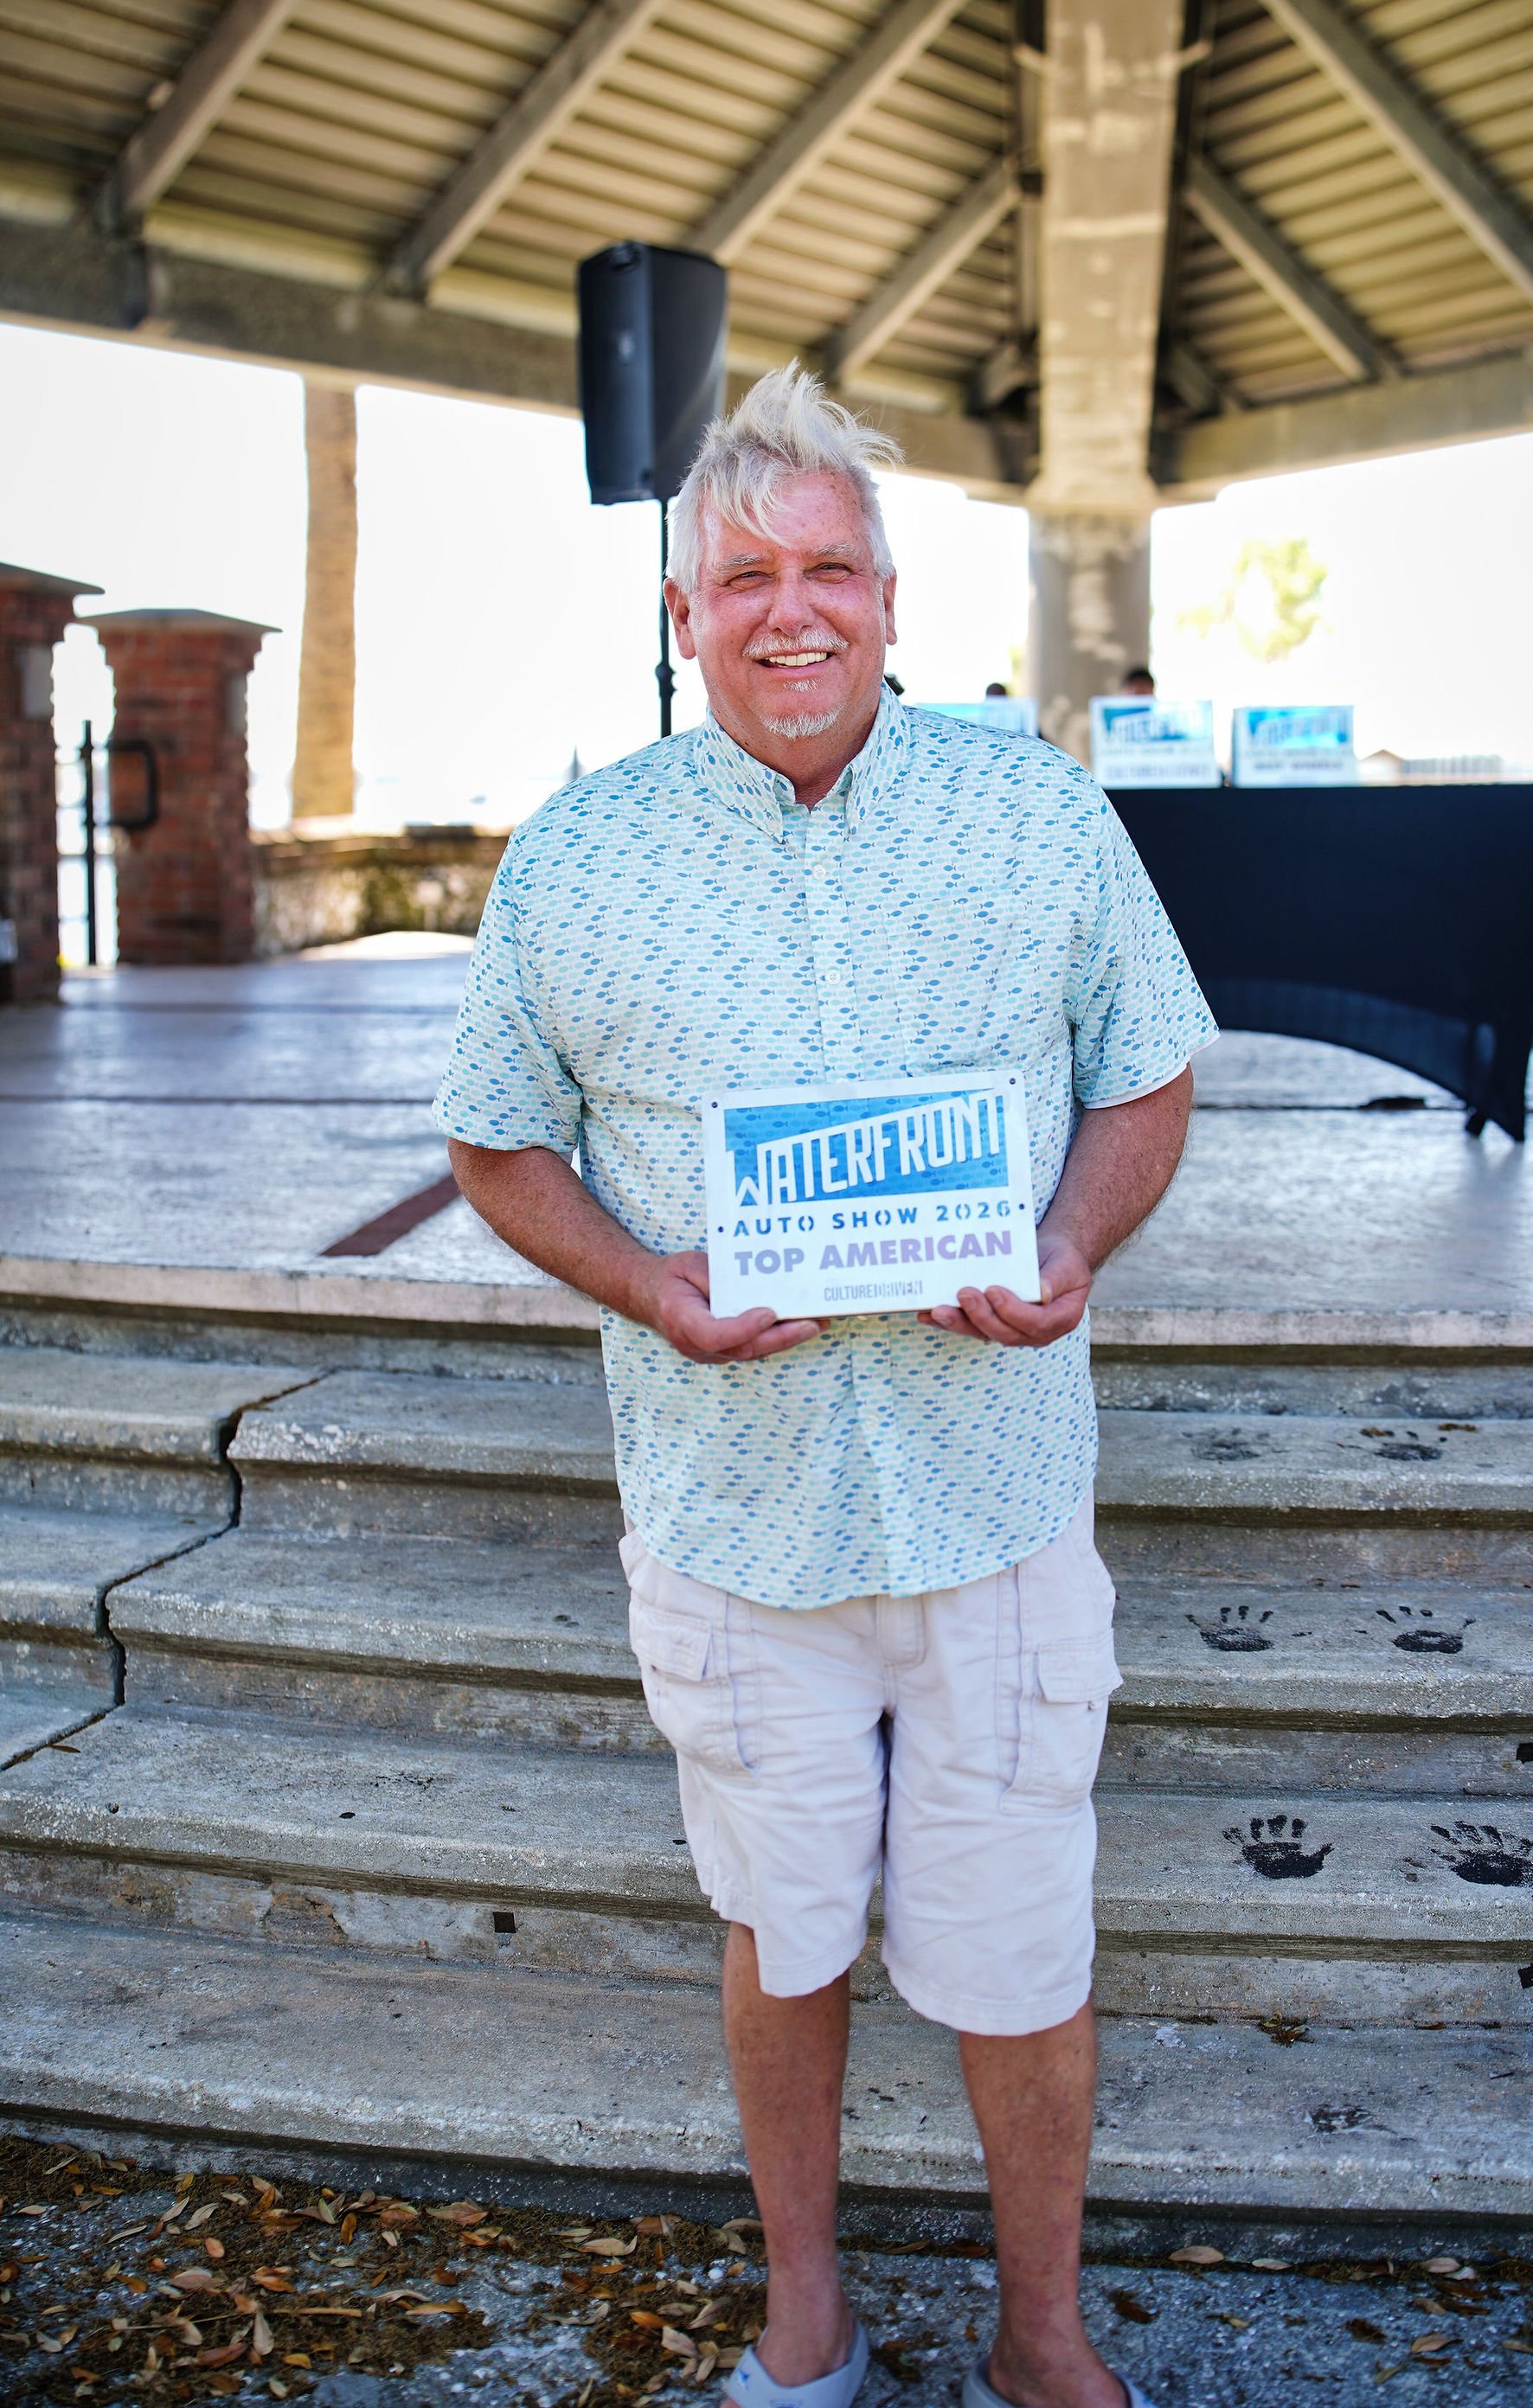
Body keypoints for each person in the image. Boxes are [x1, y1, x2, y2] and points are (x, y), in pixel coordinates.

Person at [437, 369, 1215, 2408]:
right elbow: (498, 1138)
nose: (793, 610)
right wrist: (643, 1283)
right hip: (730, 1506)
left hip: (994, 1498)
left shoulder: (1029, 800)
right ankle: (812, 2319)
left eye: (831, 570)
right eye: (745, 577)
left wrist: (1066, 1248)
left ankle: (1041, 2341)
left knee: (1020, 1951)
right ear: (684, 612)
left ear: (890, 592)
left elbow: (1146, 1070)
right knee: (781, 1937)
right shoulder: (578, 856)